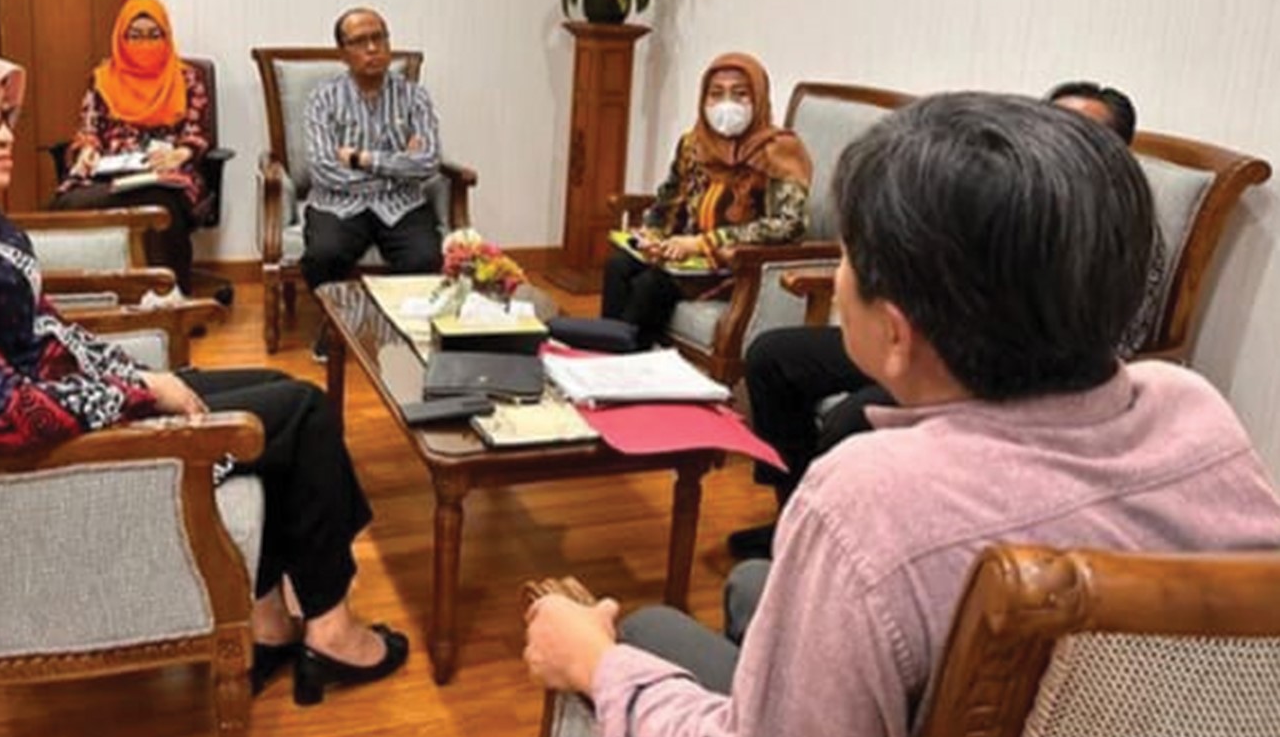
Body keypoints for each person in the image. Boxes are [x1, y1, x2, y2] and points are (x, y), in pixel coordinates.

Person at [524, 92, 1280, 737]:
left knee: (644, 630)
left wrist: (598, 664)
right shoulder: (1196, 414)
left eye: (847, 258)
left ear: (895, 330)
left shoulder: (868, 503)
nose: (837, 278)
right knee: (754, 583)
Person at [0, 36, 407, 705]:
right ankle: (331, 630)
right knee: (304, 413)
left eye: (6, 115)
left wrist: (119, 373)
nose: (4, 133)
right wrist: (137, 390)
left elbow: (27, 327)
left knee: (285, 391)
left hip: (74, 391)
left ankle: (268, 624)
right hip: (45, 451)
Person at [727, 80, 1163, 560]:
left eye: (1080, 132)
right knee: (774, 356)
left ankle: (823, 541)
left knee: (852, 420)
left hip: (996, 370)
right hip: (934, 336)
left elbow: (1113, 338)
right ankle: (790, 515)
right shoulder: (1013, 204)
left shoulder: (1121, 232)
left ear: (1117, 151)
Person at [600, 53, 811, 348]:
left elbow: (789, 224)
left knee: (651, 286)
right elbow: (669, 199)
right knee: (618, 266)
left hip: (735, 268)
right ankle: (604, 355)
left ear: (759, 99)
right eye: (716, 94)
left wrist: (705, 242)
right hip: (685, 258)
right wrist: (654, 235)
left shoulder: (778, 151)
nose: (727, 104)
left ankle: (632, 362)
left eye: (740, 94)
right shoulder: (694, 144)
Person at [301, 6, 444, 360]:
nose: (372, 48)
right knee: (323, 255)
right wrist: (398, 165)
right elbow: (323, 169)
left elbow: (428, 162)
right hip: (338, 203)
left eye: (378, 38)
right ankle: (337, 325)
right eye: (360, 41)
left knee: (425, 256)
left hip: (402, 204)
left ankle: (393, 327)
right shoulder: (322, 99)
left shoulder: (415, 97)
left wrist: (361, 158)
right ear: (342, 53)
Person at [51, 0, 211, 296]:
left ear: (167, 36)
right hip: (110, 172)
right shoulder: (102, 79)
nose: (144, 44)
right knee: (66, 205)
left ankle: (170, 297)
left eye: (154, 35)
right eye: (135, 35)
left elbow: (196, 130)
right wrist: (87, 151)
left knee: (160, 202)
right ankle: (88, 296)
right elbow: (89, 128)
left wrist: (180, 153)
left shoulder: (187, 78)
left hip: (164, 170)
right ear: (120, 37)